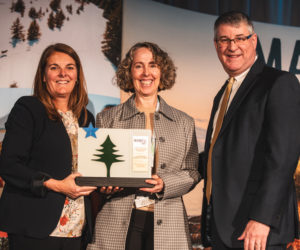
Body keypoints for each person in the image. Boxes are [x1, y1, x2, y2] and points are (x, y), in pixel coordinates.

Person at [199, 11, 300, 250]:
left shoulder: (279, 83)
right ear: (216, 45)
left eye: (239, 38)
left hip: (257, 233)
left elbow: (282, 158)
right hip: (225, 229)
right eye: (224, 39)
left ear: (253, 41)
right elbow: (219, 154)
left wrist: (262, 218)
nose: (232, 47)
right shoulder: (223, 93)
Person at [87, 42, 199, 250]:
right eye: (138, 66)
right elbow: (99, 173)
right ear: (129, 72)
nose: (146, 72)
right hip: (118, 222)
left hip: (169, 224)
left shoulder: (184, 122)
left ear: (162, 71)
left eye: (153, 65)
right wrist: (105, 186)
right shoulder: (108, 118)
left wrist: (165, 183)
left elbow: (192, 172)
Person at [0, 43, 97, 250]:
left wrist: (108, 182)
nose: (63, 73)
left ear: (77, 75)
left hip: (77, 228)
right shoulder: (28, 108)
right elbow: (9, 165)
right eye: (54, 67)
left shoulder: (86, 118)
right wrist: (56, 185)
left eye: (70, 67)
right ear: (43, 75)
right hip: (35, 226)